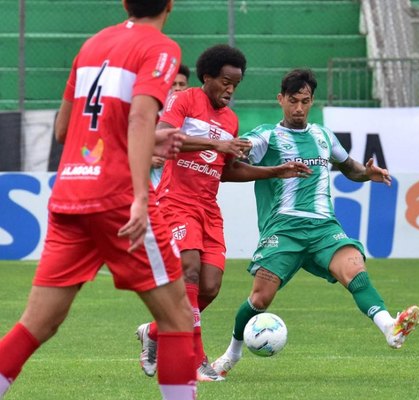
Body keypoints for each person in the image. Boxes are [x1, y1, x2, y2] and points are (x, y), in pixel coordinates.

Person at [0, 1, 198, 399]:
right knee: (177, 317)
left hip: (71, 194)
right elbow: (141, 117)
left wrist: (143, 139)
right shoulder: (160, 48)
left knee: (38, 322)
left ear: (125, 3)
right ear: (170, 4)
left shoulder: (92, 45)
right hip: (119, 199)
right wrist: (142, 198)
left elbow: (62, 130)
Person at [211, 68, 419, 378]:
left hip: (324, 227)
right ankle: (232, 353)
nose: (298, 109)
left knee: (355, 270)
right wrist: (246, 156)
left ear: (312, 101)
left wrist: (367, 173)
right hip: (283, 229)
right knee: (260, 299)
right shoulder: (266, 136)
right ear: (280, 99)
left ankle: (390, 326)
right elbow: (231, 166)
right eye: (293, 101)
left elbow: (348, 167)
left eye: (305, 101)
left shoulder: (323, 136)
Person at [136, 45, 312, 382]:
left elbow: (227, 170)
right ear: (208, 77)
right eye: (226, 82)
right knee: (188, 270)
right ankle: (196, 359)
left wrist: (275, 170)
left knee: (210, 286)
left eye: (236, 84)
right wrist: (216, 145)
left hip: (208, 208)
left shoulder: (230, 120)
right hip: (175, 201)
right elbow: (160, 137)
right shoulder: (185, 100)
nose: (230, 90)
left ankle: (156, 332)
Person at [151, 63, 191, 188]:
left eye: (181, 84)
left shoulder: (193, 120)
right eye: (173, 84)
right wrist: (148, 160)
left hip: (182, 187)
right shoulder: (151, 116)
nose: (177, 88)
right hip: (153, 187)